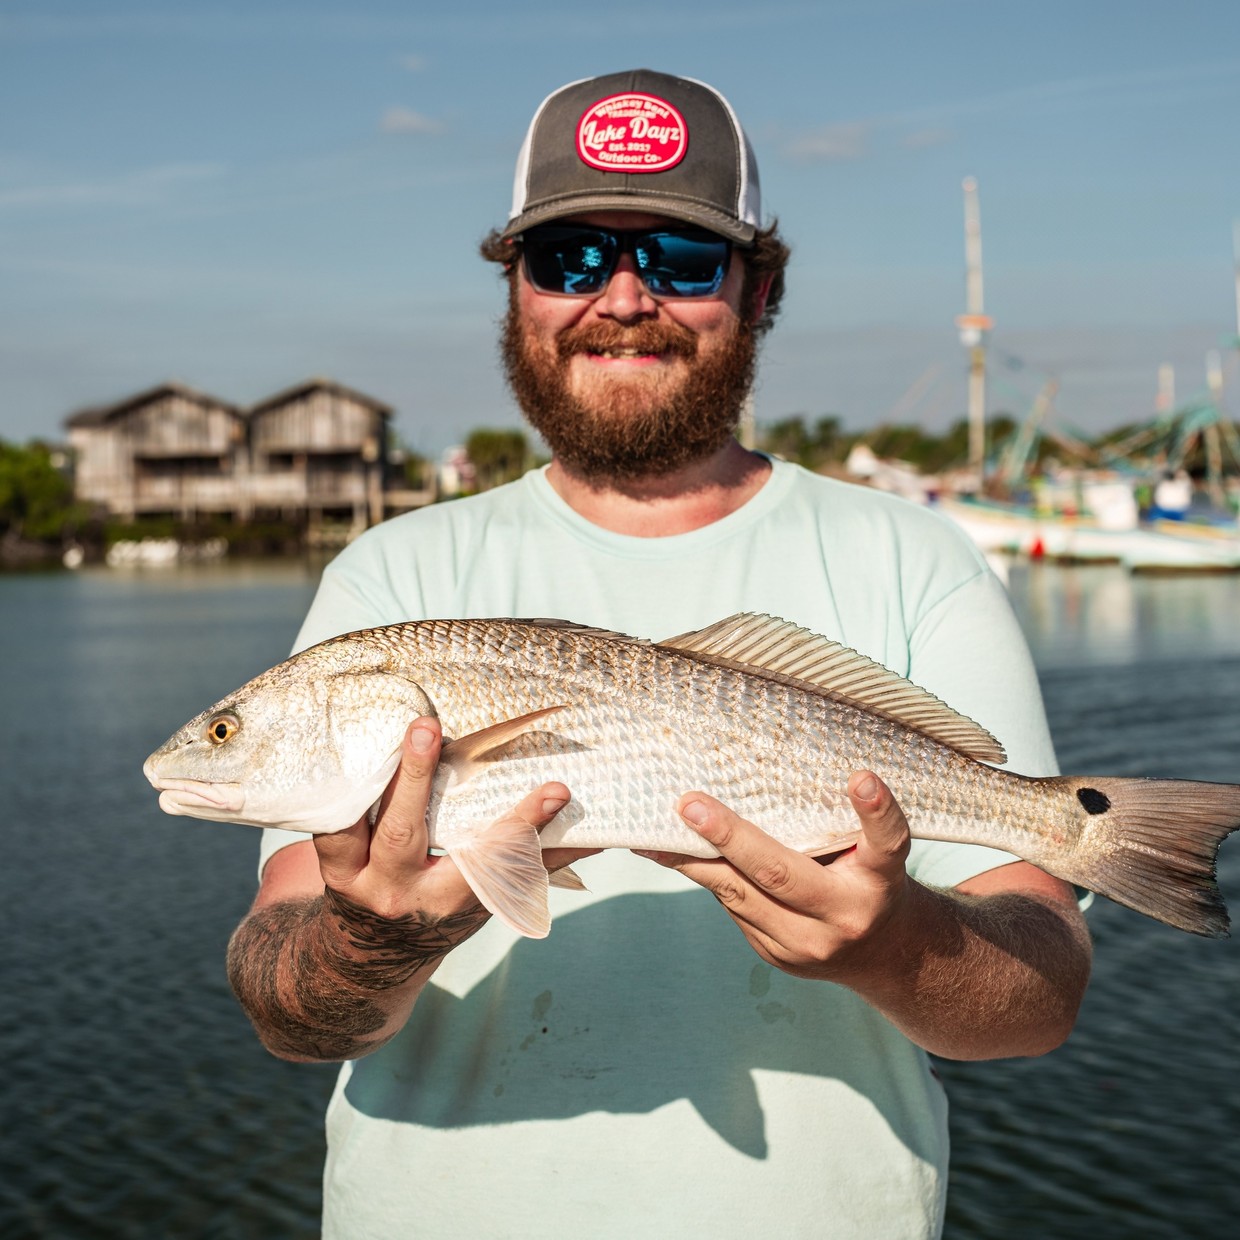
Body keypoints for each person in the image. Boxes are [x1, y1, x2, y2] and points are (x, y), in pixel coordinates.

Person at [226, 69, 1091, 1239]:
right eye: (569, 257)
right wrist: (379, 936)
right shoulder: (388, 577)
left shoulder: (913, 557)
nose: (622, 299)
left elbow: (1038, 1001)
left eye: (681, 259)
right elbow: (289, 1011)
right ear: (516, 289)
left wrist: (900, 944)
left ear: (759, 286)